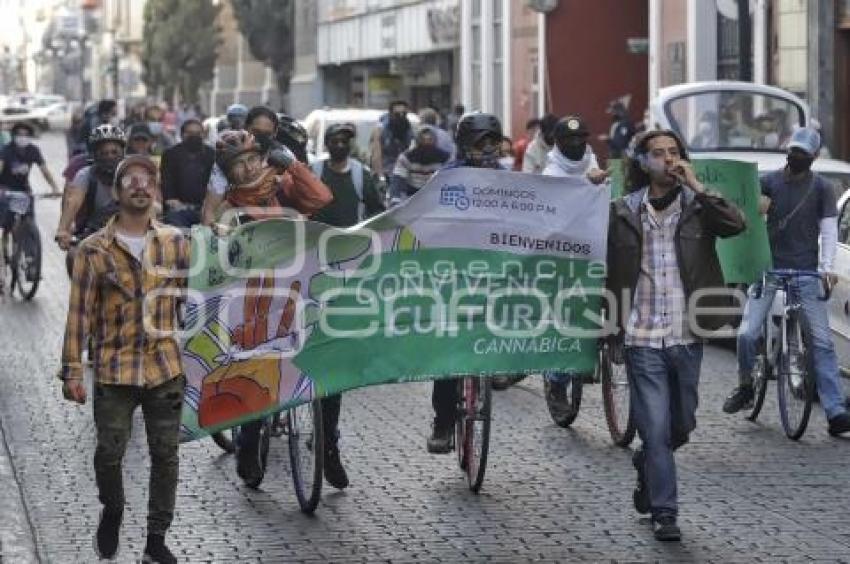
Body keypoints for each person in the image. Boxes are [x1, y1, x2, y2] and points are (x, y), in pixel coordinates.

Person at [607, 130, 745, 541]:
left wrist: (699, 187)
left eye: (674, 153)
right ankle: (664, 513)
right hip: (641, 335)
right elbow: (597, 261)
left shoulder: (699, 207)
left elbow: (736, 225)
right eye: (658, 154)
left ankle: (648, 460)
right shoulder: (622, 211)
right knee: (654, 425)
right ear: (642, 163)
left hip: (686, 334)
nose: (668, 160)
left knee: (680, 424)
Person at [59, 154, 188, 563]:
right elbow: (79, 313)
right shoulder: (93, 250)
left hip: (165, 367)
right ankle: (112, 509)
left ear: (156, 192)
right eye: (130, 179)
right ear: (116, 192)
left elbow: (196, 301)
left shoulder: (175, 243)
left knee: (166, 455)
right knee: (109, 453)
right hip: (114, 370)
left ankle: (155, 539)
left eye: (148, 179)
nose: (140, 185)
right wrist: (72, 371)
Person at [213, 130, 334, 487]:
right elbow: (219, 254)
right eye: (239, 166)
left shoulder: (283, 187)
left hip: (303, 293)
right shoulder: (230, 209)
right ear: (228, 174)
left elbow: (323, 198)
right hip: (258, 306)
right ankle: (249, 442)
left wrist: (293, 165)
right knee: (256, 372)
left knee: (329, 367)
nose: (248, 169)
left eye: (253, 159)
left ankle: (331, 446)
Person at [722, 127, 850, 435]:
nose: (796, 158)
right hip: (768, 270)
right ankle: (745, 385)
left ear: (814, 157)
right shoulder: (768, 182)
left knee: (821, 342)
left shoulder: (821, 189)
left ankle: (835, 411)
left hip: (806, 272)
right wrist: (757, 211)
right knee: (747, 334)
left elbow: (830, 231)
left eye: (803, 155)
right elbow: (743, 220)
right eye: (793, 152)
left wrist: (826, 267)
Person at [309, 122, 384, 489]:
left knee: (333, 361)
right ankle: (252, 440)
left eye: (344, 140)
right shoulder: (311, 174)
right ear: (324, 145)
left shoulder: (360, 175)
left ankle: (327, 443)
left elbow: (379, 215)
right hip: (307, 270)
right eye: (333, 140)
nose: (339, 145)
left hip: (348, 273)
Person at [427, 111, 506, 454]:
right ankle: (443, 421)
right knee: (448, 354)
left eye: (492, 142)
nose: (486, 149)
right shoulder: (445, 179)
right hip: (454, 275)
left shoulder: (511, 182)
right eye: (479, 143)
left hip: (498, 271)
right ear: (463, 145)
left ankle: (505, 367)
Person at [540, 115, 609, 415]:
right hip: (564, 258)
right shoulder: (551, 172)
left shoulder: (593, 161)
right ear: (557, 143)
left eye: (581, 137)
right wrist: (586, 184)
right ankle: (556, 382)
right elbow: (560, 198)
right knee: (569, 321)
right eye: (569, 140)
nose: (577, 144)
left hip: (596, 251)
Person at [201, 105, 282, 226]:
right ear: (246, 128)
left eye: (267, 134)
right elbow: (210, 210)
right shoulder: (227, 156)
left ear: (275, 133)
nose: (261, 137)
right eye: (256, 132)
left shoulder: (284, 157)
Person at [55, 125, 127, 259]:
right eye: (104, 153)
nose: (109, 157)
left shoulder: (133, 173)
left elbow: (151, 201)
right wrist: (63, 229)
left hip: (133, 232)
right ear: (94, 155)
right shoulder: (85, 175)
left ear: (123, 152)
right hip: (94, 234)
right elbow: (73, 201)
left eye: (114, 152)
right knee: (73, 257)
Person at [160, 119, 214, 228]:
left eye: (198, 133)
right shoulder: (170, 154)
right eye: (190, 133)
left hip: (206, 208)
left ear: (203, 135)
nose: (194, 136)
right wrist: (171, 200)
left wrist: (209, 206)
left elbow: (215, 183)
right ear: (182, 135)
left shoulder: (212, 154)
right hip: (178, 209)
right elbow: (167, 181)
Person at [389, 125, 450, 205]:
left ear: (435, 141)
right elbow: (398, 179)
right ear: (417, 141)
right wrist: (395, 198)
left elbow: (449, 178)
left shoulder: (445, 158)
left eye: (429, 140)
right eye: (423, 140)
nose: (426, 143)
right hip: (412, 196)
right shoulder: (405, 158)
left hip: (436, 196)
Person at [0, 122, 61, 198]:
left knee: (29, 207)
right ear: (13, 136)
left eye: (26, 135)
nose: (23, 137)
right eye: (19, 135)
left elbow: (45, 171)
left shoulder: (33, 150)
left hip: (24, 189)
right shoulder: (6, 150)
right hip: (5, 189)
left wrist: (54, 187)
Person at [370, 100, 415, 180]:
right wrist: (380, 176)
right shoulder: (381, 129)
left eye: (404, 114)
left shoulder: (408, 128)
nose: (401, 116)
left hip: (403, 173)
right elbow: (376, 154)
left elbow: (412, 151)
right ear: (391, 114)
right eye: (397, 114)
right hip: (386, 171)